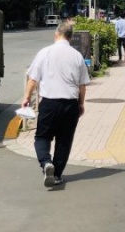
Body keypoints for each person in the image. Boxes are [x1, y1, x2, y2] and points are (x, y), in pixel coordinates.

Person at [21, 19, 90, 188]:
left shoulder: (45, 52)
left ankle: (46, 163)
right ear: (70, 37)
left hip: (50, 103)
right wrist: (81, 104)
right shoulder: (77, 56)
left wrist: (26, 98)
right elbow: (82, 85)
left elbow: (33, 79)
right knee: (64, 141)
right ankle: (57, 174)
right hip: (70, 104)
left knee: (42, 137)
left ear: (56, 34)